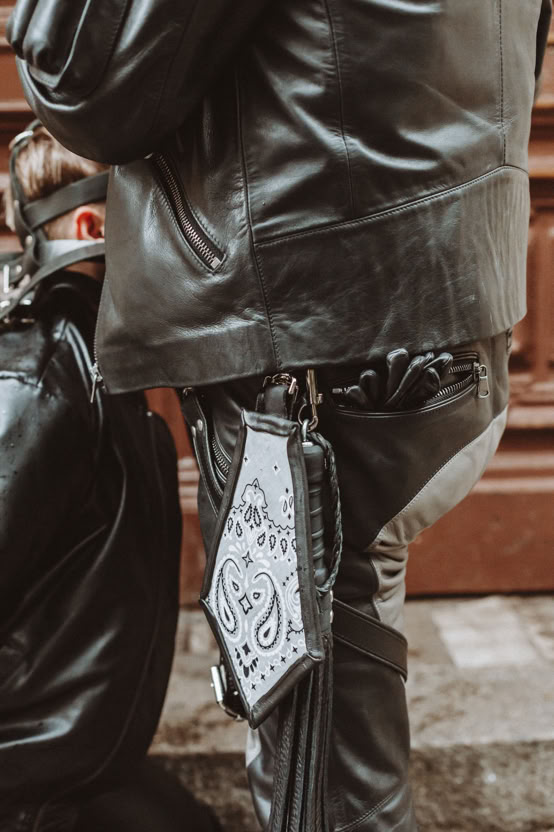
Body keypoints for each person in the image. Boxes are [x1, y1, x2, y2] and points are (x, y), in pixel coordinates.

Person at [12, 2, 552, 830]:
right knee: (333, 751)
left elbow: (85, 81)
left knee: (324, 795)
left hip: (311, 346)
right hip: (443, 301)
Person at [0, 124, 219, 832]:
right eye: (159, 207)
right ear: (94, 222)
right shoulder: (39, 379)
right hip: (30, 778)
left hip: (84, 759)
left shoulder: (103, 363)